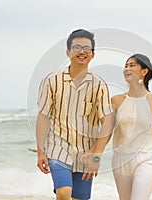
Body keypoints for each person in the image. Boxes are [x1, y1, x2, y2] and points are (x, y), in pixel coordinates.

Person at [36, 29, 113, 200]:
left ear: (92, 54)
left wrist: (96, 154)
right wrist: (41, 151)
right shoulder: (51, 80)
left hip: (86, 153)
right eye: (76, 47)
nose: (82, 52)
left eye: (86, 48)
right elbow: (43, 117)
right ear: (68, 52)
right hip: (58, 147)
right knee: (64, 192)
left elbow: (107, 122)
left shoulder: (99, 85)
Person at [111, 54, 152, 200]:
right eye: (126, 65)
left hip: (146, 159)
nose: (127, 69)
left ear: (144, 72)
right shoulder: (116, 101)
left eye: (132, 65)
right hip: (120, 159)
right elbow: (105, 131)